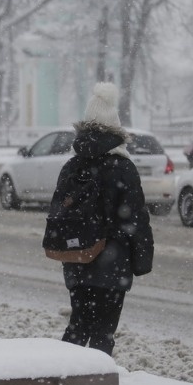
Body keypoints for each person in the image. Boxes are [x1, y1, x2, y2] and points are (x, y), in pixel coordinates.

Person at [52, 81, 152, 360]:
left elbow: (58, 213)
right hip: (114, 261)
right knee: (104, 331)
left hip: (77, 257)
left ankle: (59, 384)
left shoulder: (72, 166)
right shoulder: (123, 167)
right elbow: (137, 218)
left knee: (78, 324)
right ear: (116, 128)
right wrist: (142, 260)